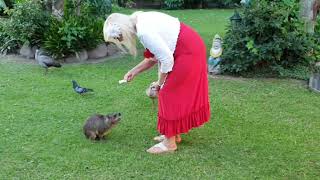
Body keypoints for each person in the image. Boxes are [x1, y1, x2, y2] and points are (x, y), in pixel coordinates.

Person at [103, 11, 210, 154]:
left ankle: (169, 144)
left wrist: (159, 84)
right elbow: (155, 56)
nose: (121, 40)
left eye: (119, 38)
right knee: (170, 92)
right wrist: (134, 71)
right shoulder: (139, 19)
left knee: (167, 93)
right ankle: (173, 134)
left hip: (188, 51)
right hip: (189, 47)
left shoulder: (143, 32)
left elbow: (166, 59)